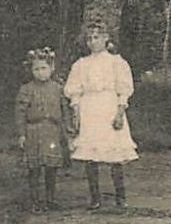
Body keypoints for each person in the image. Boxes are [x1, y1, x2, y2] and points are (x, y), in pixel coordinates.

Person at [64, 22, 138, 211]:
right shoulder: (81, 64)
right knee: (90, 155)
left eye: (96, 37)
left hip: (109, 107)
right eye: (89, 38)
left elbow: (124, 90)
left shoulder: (116, 63)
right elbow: (75, 92)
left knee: (115, 153)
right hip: (90, 110)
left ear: (106, 38)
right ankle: (95, 198)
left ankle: (120, 197)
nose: (92, 42)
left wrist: (120, 113)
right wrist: (76, 114)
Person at [15, 47, 71, 212]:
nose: (40, 73)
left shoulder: (58, 88)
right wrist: (21, 134)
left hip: (52, 131)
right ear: (31, 71)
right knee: (34, 167)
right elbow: (20, 113)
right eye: (36, 69)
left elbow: (65, 111)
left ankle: (50, 199)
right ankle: (35, 201)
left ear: (52, 69)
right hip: (34, 131)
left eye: (44, 68)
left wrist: (67, 130)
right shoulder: (26, 89)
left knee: (51, 167)